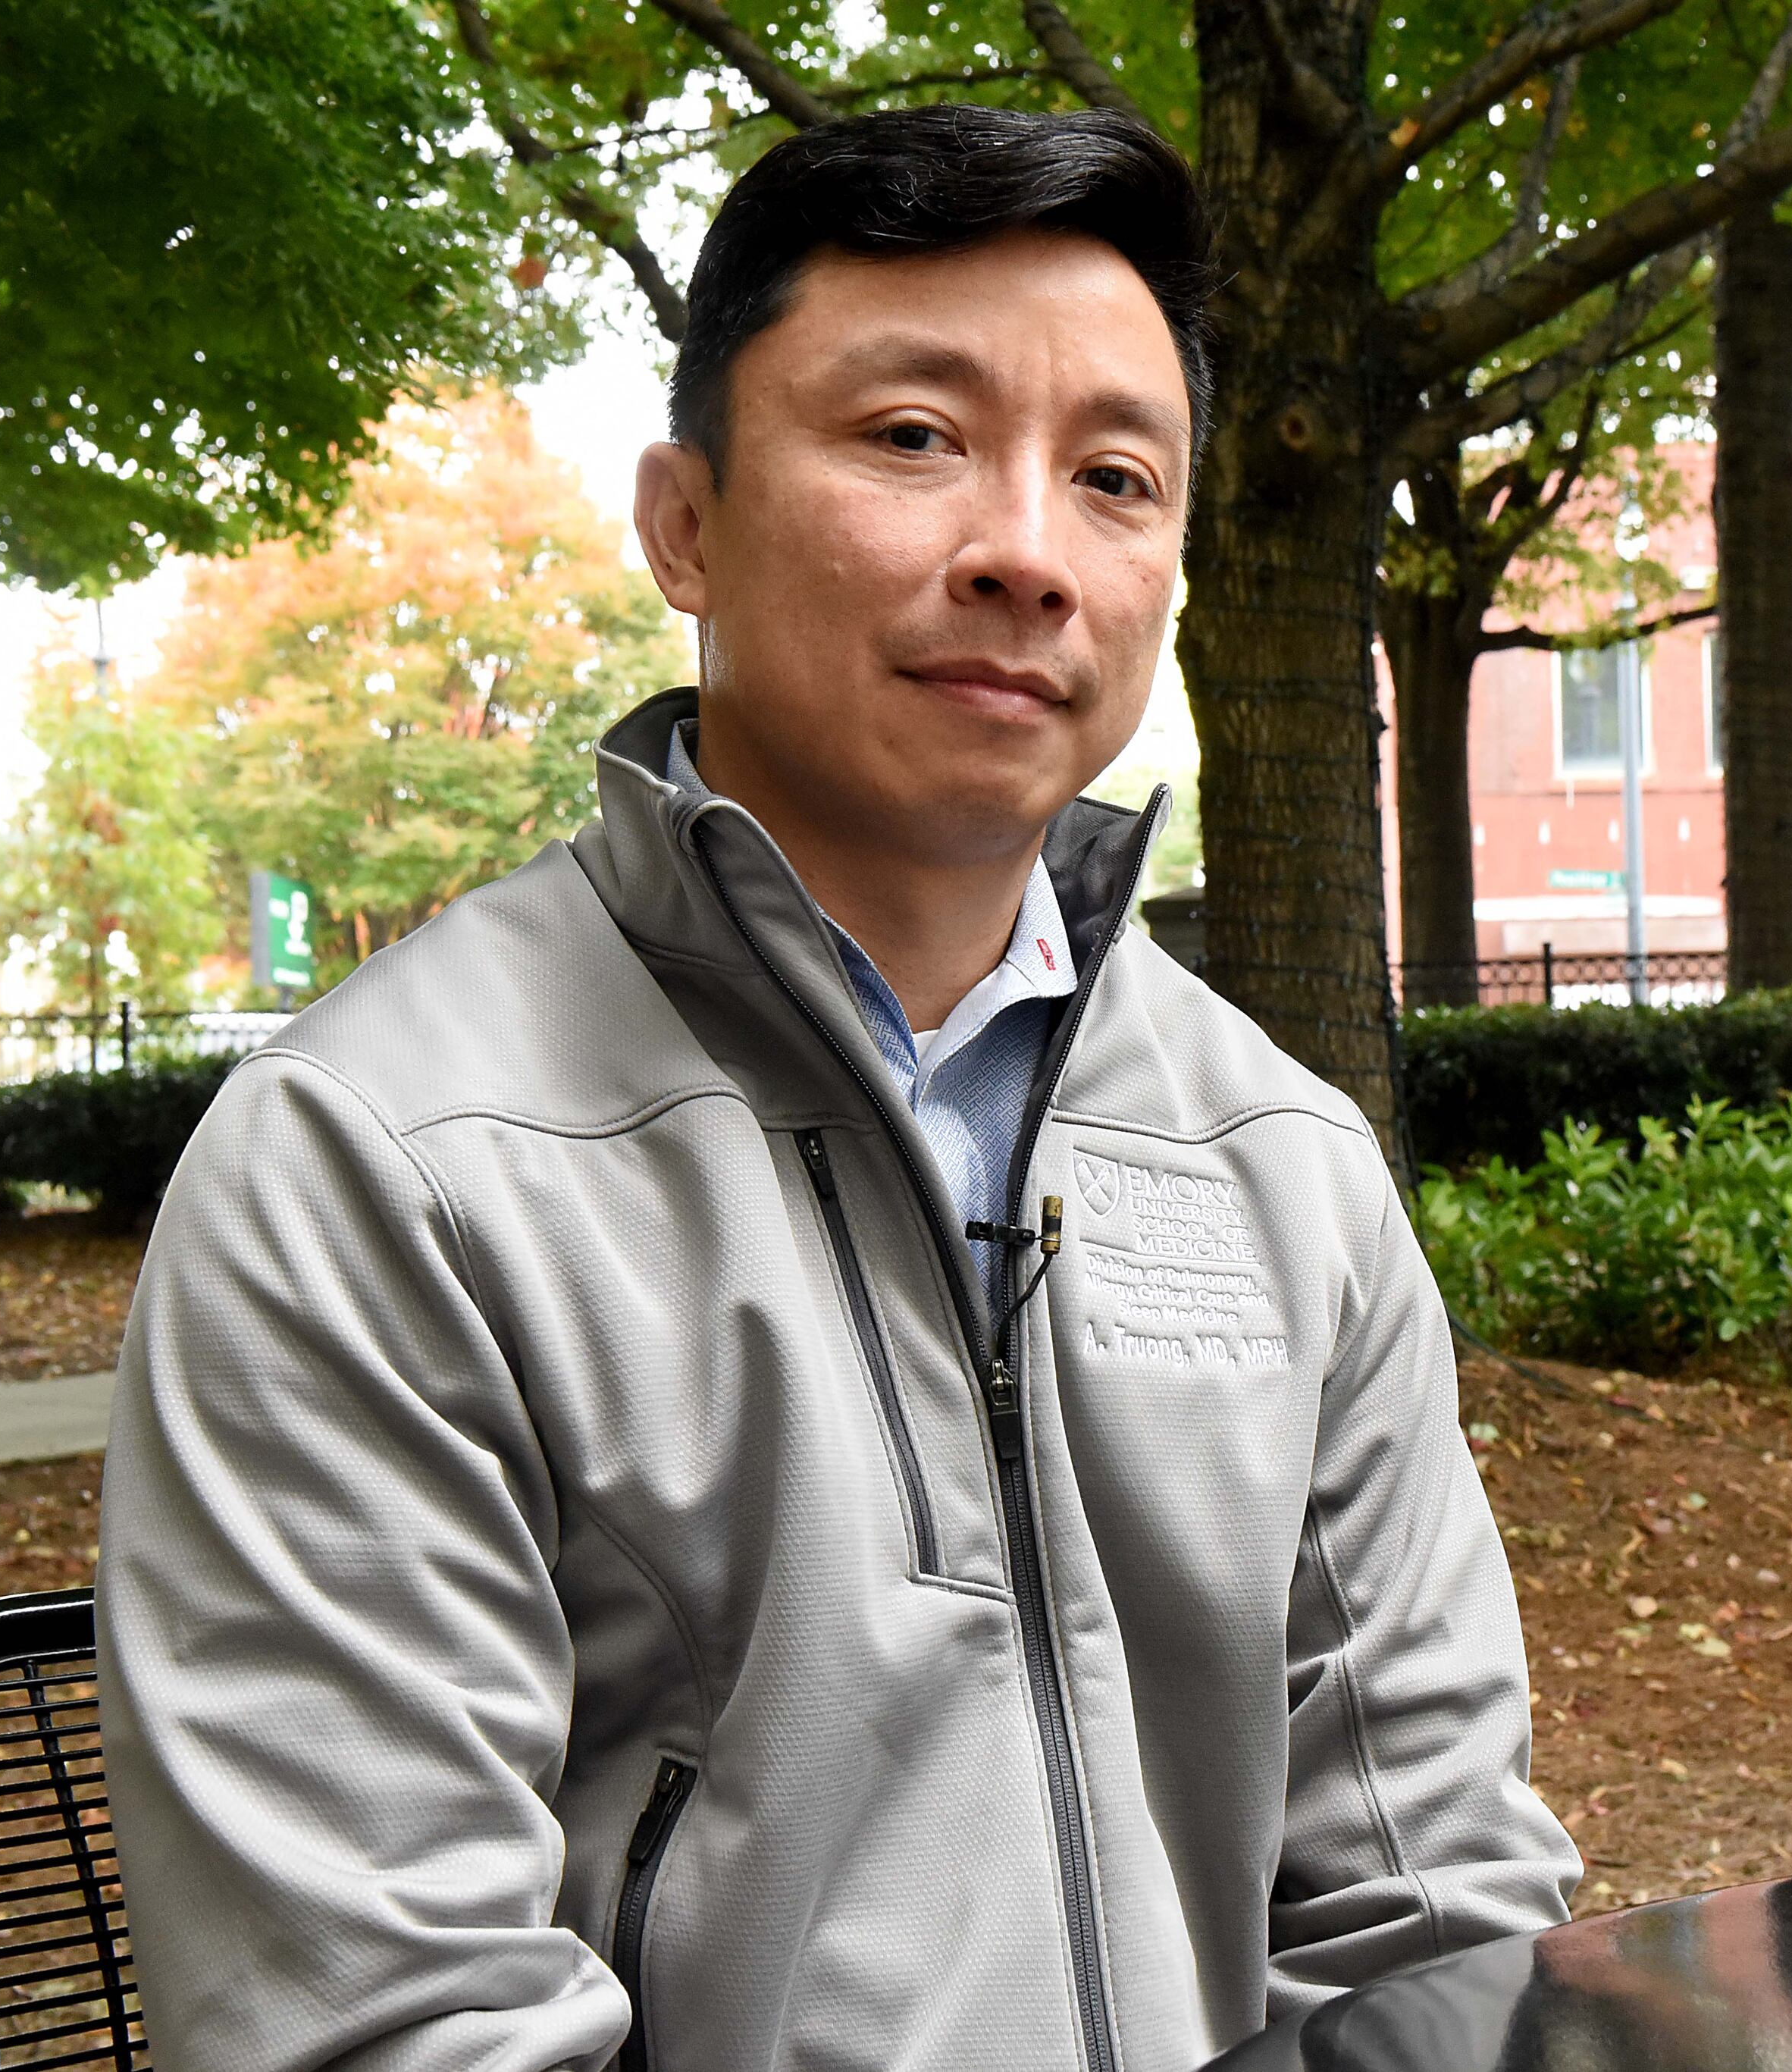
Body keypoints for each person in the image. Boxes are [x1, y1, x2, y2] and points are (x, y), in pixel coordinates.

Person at [98, 104, 1578, 2071]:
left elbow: (1439, 1912)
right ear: (685, 522)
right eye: (914, 437)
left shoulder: (1278, 1165)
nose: (1029, 554)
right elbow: (388, 2031)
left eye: (1118, 477)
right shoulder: (386, 1170)